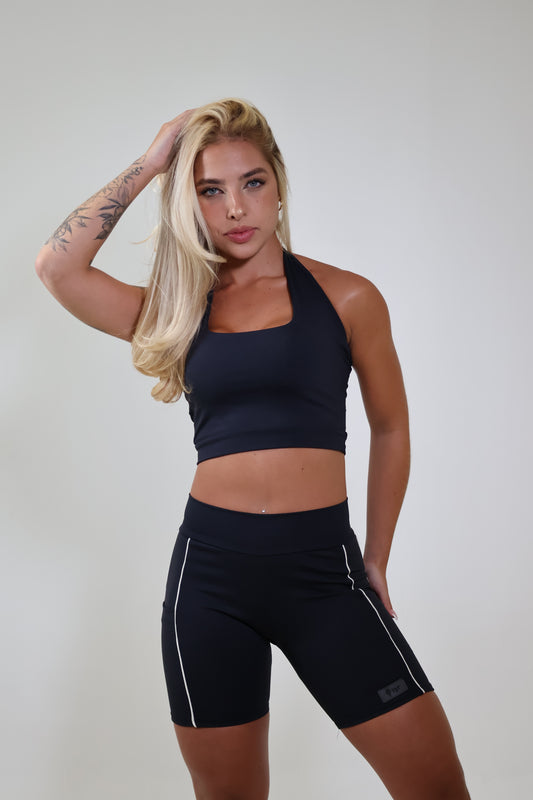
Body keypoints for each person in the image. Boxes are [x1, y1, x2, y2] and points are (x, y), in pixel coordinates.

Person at [36, 98, 470, 799]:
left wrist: (377, 556)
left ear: (278, 185)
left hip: (324, 575)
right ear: (190, 203)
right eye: (210, 190)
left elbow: (391, 427)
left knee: (436, 789)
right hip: (210, 581)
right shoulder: (179, 308)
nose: (235, 207)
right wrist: (151, 163)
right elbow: (58, 267)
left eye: (252, 183)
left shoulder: (348, 298)